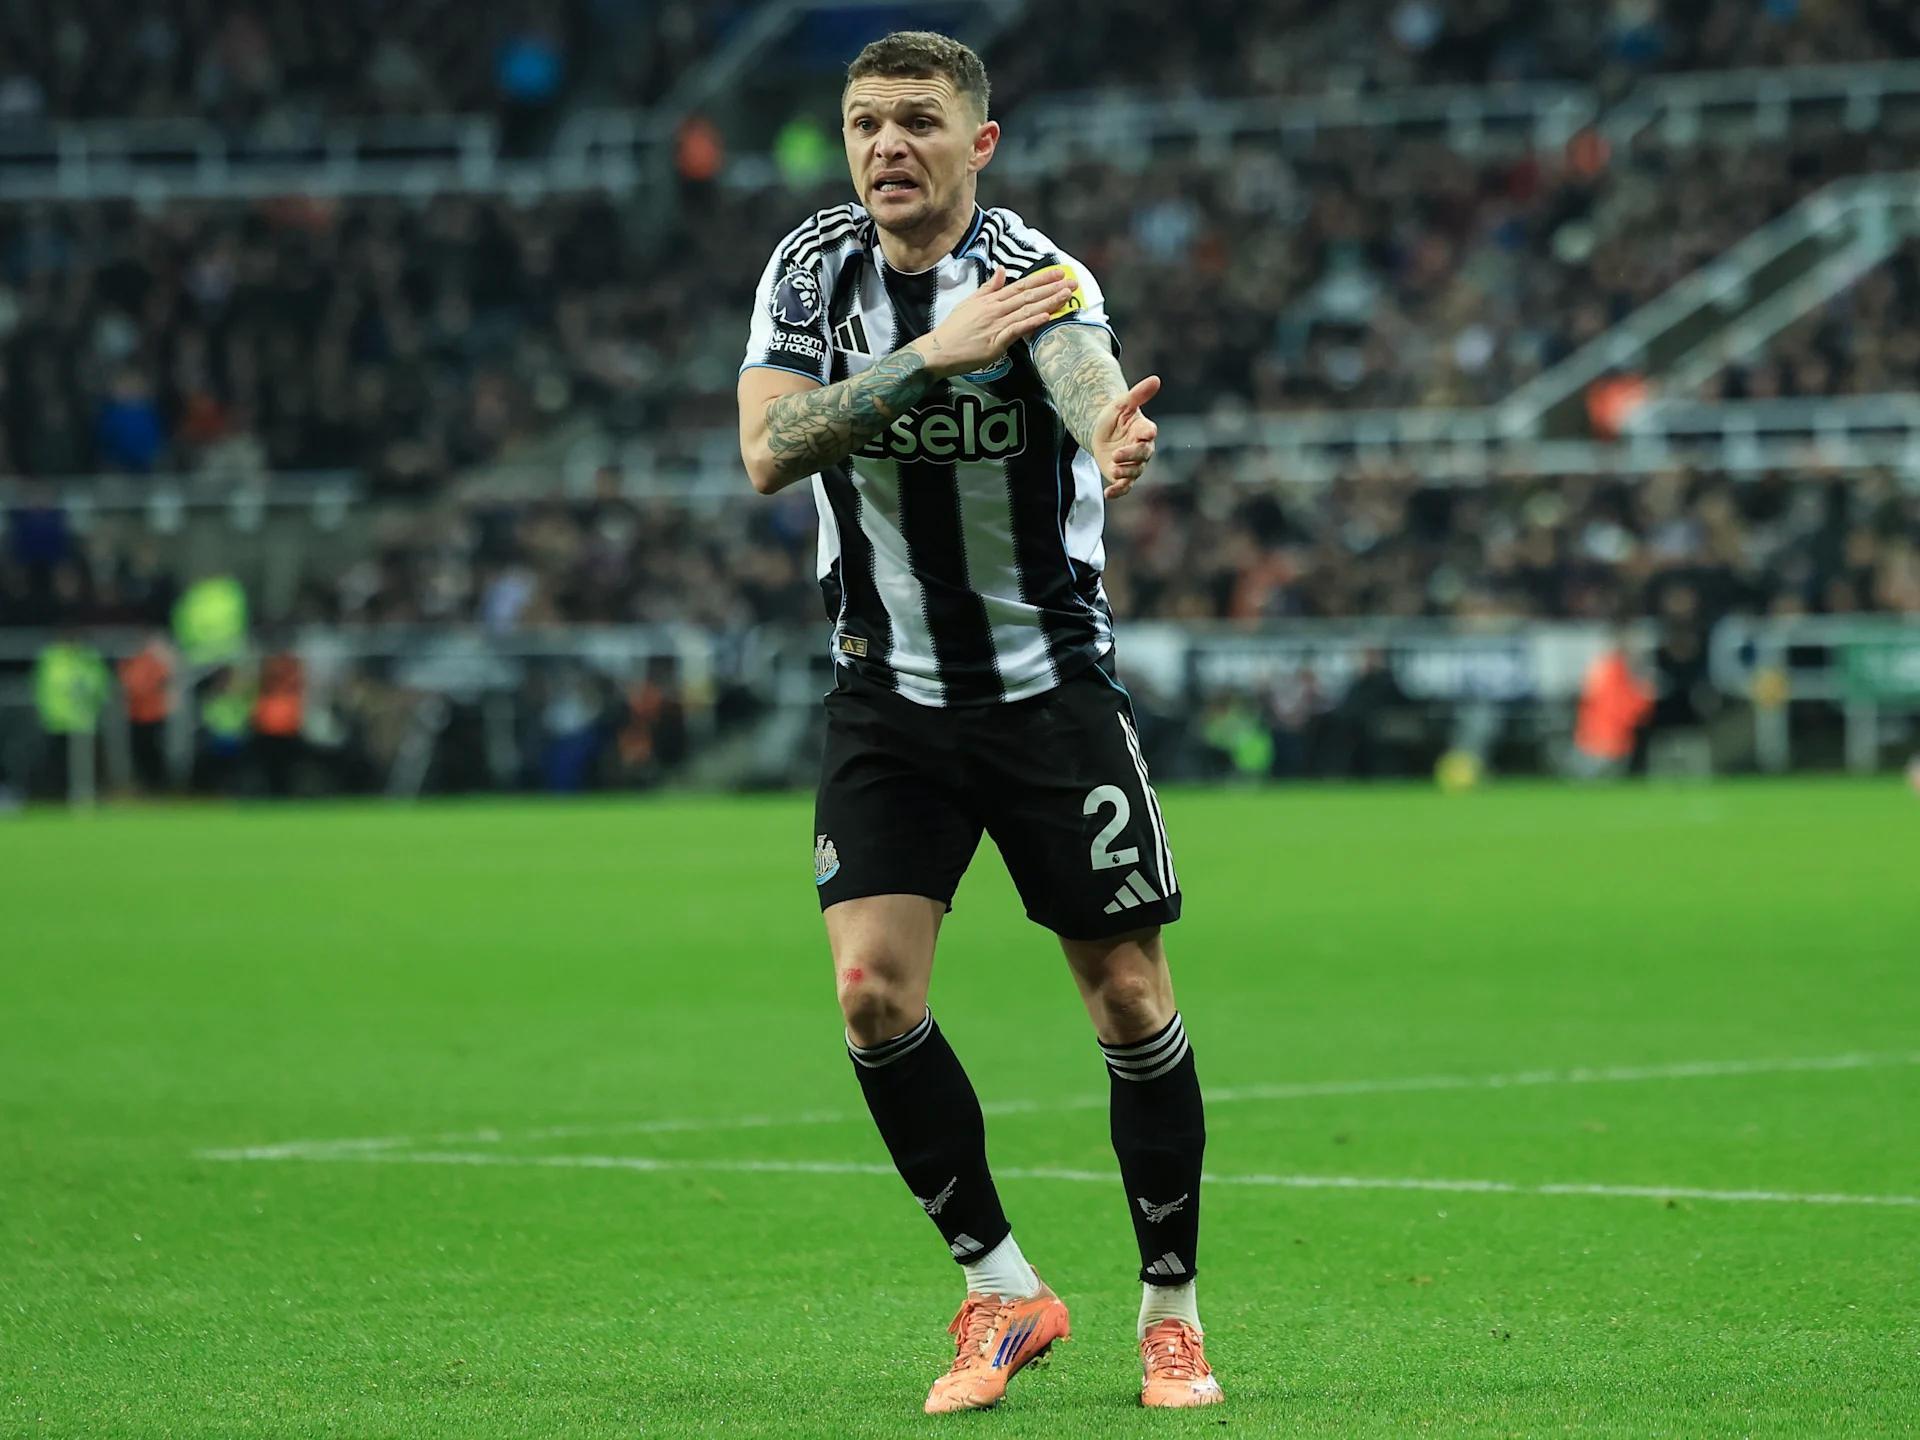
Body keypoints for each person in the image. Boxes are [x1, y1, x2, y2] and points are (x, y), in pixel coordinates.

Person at [736, 30, 1221, 1414]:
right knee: (870, 994)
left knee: (1127, 995)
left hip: (1047, 692)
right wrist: (928, 361)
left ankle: (1172, 1313)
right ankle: (1002, 1289)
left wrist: (1107, 433)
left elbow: (1077, 369)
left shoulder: (1037, 273)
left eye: (917, 121)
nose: (887, 145)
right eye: (865, 122)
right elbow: (768, 450)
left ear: (979, 143)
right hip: (886, 695)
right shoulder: (809, 270)